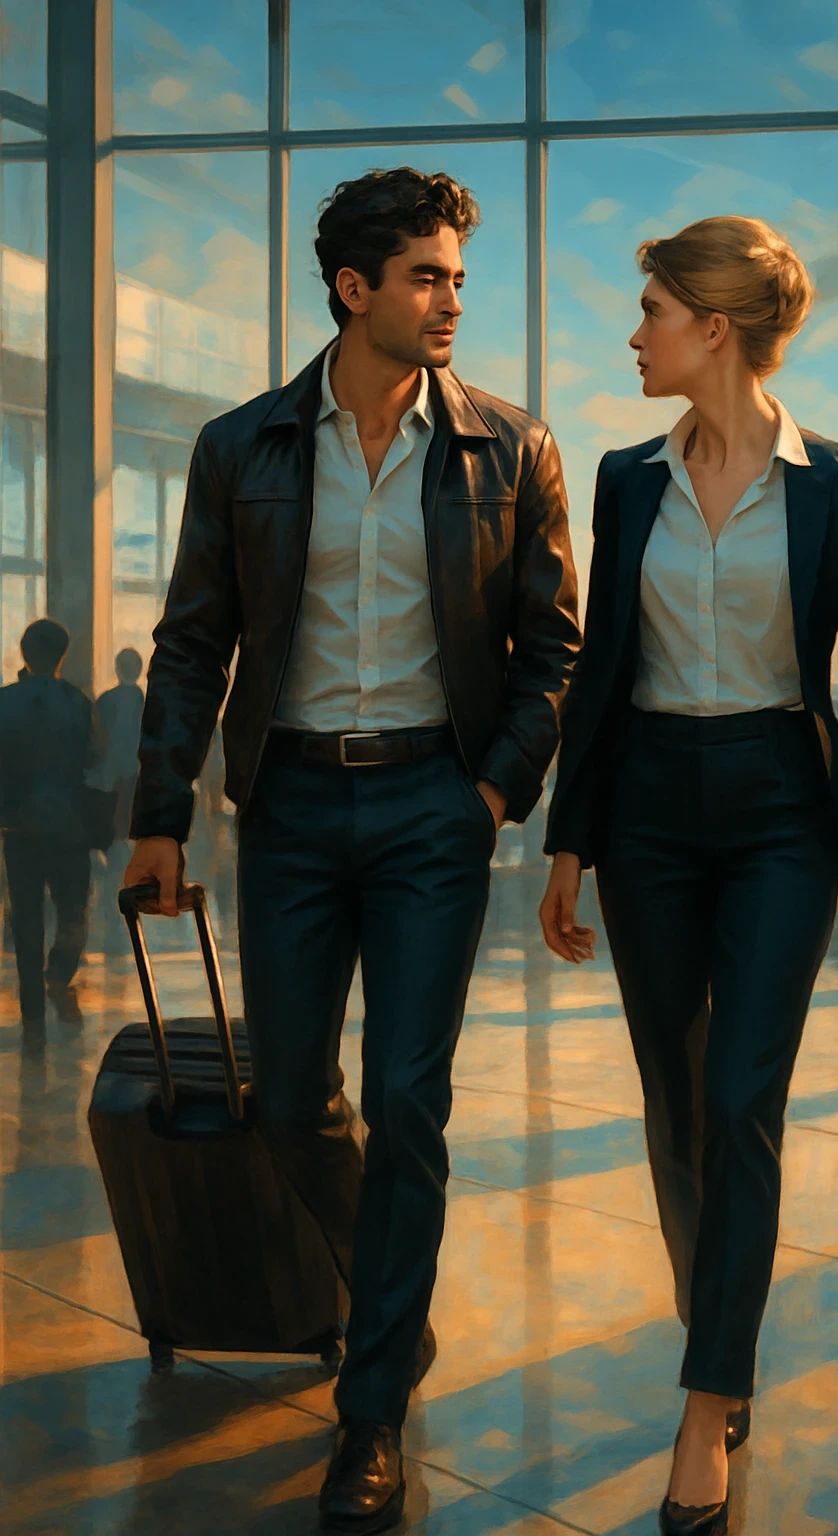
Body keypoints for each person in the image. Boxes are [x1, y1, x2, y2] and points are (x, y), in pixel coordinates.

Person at [124, 167, 579, 1533]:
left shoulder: (511, 448)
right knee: (290, 1101)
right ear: (352, 287)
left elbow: (555, 645)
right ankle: (392, 1305)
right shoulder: (243, 447)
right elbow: (193, 642)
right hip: (293, 812)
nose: (451, 301)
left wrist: (491, 793)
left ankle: (370, 1404)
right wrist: (159, 816)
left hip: (438, 807)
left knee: (410, 1101)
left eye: (457, 277)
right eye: (427, 277)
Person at [539, 216, 838, 1536]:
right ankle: (723, 1325)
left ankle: (707, 1405)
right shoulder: (625, 476)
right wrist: (569, 839)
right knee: (675, 1099)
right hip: (645, 815)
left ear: (713, 327)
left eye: (651, 312)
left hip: (779, 818)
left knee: (743, 1100)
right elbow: (600, 672)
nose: (633, 336)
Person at [0, 619, 100, 1023]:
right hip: (69, 824)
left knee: (26, 913)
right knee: (72, 909)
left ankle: (31, 1001)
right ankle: (58, 973)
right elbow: (95, 757)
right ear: (63, 655)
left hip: (19, 825)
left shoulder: (4, 701)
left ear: (24, 652)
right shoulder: (78, 702)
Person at [95, 647, 145, 840]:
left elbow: (97, 736)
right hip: (135, 764)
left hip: (110, 763)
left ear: (117, 669)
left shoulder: (105, 700)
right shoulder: (146, 702)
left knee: (113, 812)